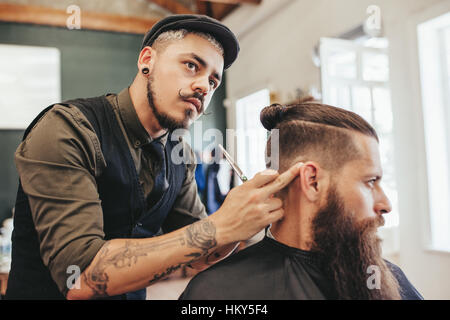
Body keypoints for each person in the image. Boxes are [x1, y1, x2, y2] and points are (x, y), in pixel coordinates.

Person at [5, 14, 302, 300]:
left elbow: (203, 255)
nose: (203, 86)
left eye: (213, 81)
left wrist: (243, 221)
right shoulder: (68, 129)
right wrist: (221, 225)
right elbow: (80, 276)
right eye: (190, 65)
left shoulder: (179, 154)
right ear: (147, 60)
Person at [179, 98, 423, 300]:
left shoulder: (387, 279)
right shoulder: (217, 293)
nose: (386, 204)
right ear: (313, 181)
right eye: (370, 182)